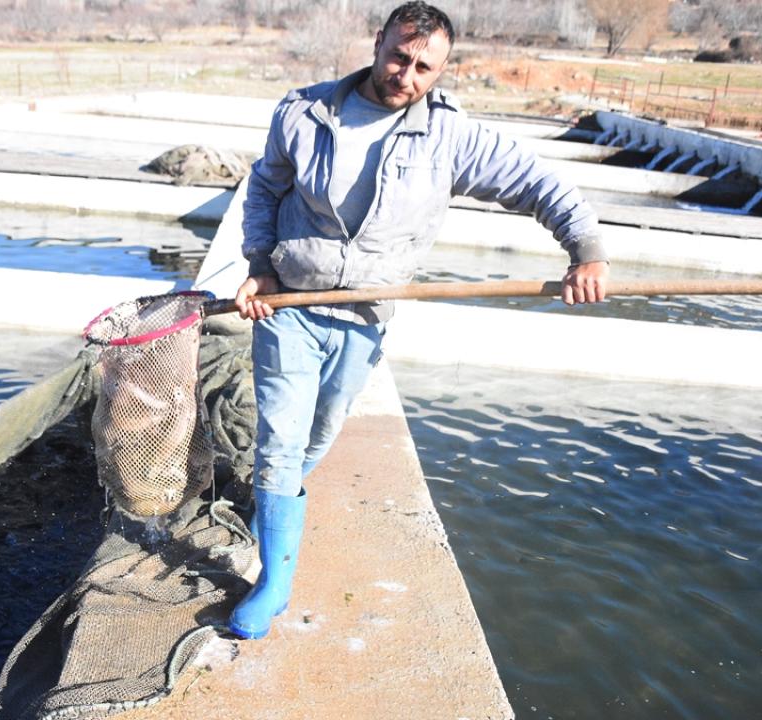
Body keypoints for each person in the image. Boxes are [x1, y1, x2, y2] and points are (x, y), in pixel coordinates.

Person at [228, 1, 609, 640]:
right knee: (282, 438)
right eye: (399, 57)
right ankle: (273, 584)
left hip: (365, 313)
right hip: (290, 304)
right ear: (378, 43)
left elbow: (536, 184)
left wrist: (586, 251)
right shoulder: (303, 112)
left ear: (441, 70)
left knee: (319, 433)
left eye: (424, 67)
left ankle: (272, 503)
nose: (407, 74)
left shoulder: (450, 137)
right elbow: (265, 189)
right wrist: (260, 264)